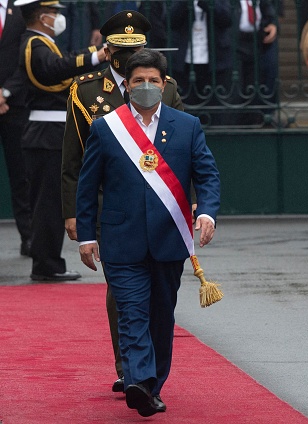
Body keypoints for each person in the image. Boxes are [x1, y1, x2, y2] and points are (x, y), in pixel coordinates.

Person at [76, 49, 220, 416]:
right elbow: (87, 185)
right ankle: (138, 381)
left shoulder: (187, 126)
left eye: (153, 80)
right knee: (132, 312)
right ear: (127, 85)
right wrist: (87, 236)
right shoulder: (106, 128)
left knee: (160, 316)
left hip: (169, 239)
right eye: (138, 80)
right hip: (121, 241)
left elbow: (207, 175)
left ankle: (152, 384)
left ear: (164, 84)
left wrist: (206, 213)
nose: (146, 86)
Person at [61, 9, 183, 394]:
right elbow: (73, 160)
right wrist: (72, 214)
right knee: (123, 288)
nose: (128, 56)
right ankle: (129, 366)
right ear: (107, 48)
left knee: (161, 290)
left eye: (137, 48)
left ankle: (144, 366)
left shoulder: (166, 86)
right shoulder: (85, 91)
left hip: (159, 200)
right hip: (107, 204)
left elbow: (180, 152)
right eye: (121, 49)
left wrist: (189, 202)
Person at [10, 0, 106, 280]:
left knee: (51, 202)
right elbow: (55, 69)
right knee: (47, 204)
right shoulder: (34, 44)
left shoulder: (41, 41)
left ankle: (50, 262)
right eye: (54, 13)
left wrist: (93, 56)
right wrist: (95, 56)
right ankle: (46, 265)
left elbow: (62, 64)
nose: (57, 18)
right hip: (44, 132)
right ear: (42, 17)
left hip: (48, 131)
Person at [0, 0, 32, 256]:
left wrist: (5, 92)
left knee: (21, 174)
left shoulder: (21, 10)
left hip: (14, 104)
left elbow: (27, 57)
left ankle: (29, 237)